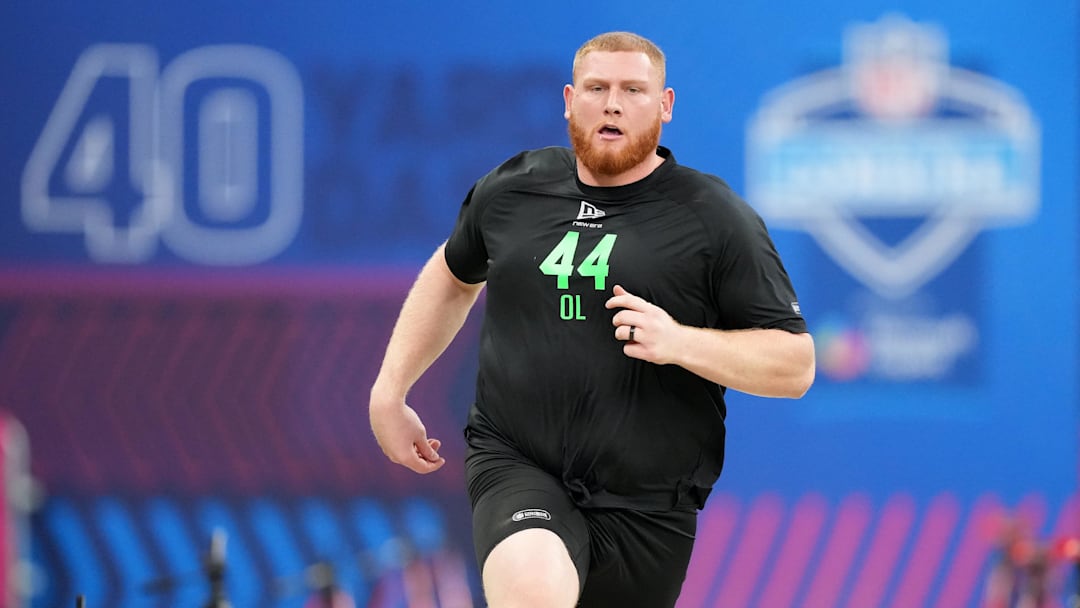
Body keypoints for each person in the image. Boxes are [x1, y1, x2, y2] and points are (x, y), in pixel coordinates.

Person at [369, 31, 815, 608]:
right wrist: (390, 387)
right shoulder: (513, 189)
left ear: (666, 105)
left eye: (633, 89)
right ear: (568, 99)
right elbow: (454, 274)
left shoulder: (714, 217)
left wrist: (680, 342)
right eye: (596, 87)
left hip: (650, 503)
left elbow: (795, 364)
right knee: (533, 589)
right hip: (517, 461)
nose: (612, 103)